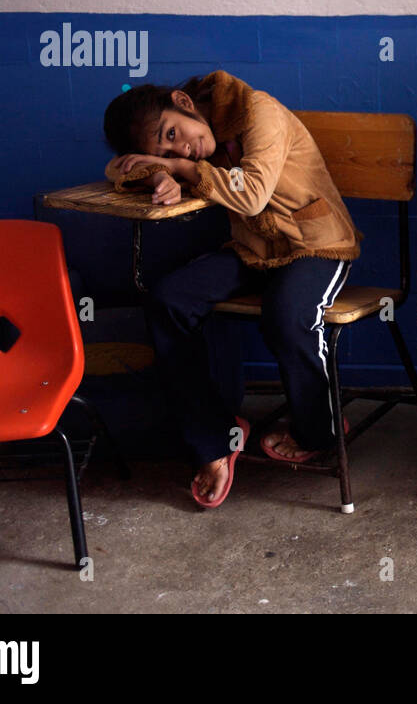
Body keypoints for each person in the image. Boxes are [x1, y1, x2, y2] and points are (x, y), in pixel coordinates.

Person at [102, 70, 360, 508]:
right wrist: (154, 176)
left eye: (172, 134)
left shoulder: (256, 110)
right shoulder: (183, 144)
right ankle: (214, 438)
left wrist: (179, 168)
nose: (180, 147)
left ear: (183, 102)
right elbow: (116, 167)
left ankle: (320, 429)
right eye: (163, 149)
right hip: (253, 248)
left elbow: (253, 194)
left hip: (316, 242)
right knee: (168, 298)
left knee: (287, 314)